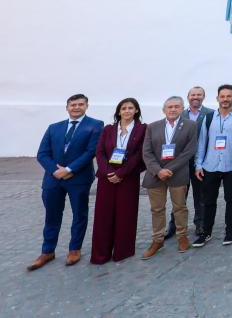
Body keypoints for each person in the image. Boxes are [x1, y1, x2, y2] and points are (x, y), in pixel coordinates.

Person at [29, 94, 104, 271]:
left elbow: (90, 151)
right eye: (73, 104)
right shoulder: (54, 127)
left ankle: (74, 249)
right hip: (53, 179)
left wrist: (70, 169)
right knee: (52, 215)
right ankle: (47, 251)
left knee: (79, 214)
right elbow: (42, 154)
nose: (76, 107)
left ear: (86, 106)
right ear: (67, 107)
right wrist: (56, 171)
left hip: (78, 179)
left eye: (80, 104)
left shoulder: (96, 125)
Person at [141, 96, 198, 259]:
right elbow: (146, 152)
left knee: (180, 207)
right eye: (170, 107)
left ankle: (182, 236)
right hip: (155, 175)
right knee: (157, 209)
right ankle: (157, 240)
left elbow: (189, 151)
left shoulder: (190, 125)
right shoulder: (152, 127)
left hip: (177, 173)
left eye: (177, 106)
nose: (173, 109)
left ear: (182, 109)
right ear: (164, 110)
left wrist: (169, 169)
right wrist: (158, 170)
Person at [91, 98, 146, 264]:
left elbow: (139, 154)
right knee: (103, 215)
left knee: (126, 214)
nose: (127, 111)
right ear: (119, 111)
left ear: (136, 111)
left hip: (128, 177)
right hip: (106, 178)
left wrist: (121, 173)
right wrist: (108, 172)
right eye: (124, 108)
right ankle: (101, 254)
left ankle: (123, 251)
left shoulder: (142, 129)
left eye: (131, 108)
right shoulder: (108, 129)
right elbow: (100, 152)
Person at [193, 84, 232, 247]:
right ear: (217, 98)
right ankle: (206, 232)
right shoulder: (209, 117)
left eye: (228, 96)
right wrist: (198, 164)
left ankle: (229, 232)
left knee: (231, 199)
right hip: (210, 165)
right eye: (222, 96)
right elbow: (202, 142)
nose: (225, 99)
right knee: (208, 200)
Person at [166, 86, 212, 240]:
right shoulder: (180, 114)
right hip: (181, 162)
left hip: (201, 162)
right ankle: (174, 225)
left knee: (201, 195)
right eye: (193, 95)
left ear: (203, 97)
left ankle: (200, 224)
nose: (196, 97)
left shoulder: (210, 114)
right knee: (179, 195)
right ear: (188, 97)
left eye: (199, 94)